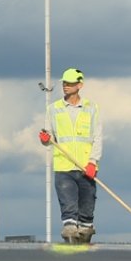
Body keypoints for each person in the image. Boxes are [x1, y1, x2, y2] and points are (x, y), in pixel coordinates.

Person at [38, 68, 103, 244]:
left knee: (86, 217)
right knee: (69, 216)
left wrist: (93, 162)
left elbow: (97, 137)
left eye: (70, 83)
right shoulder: (54, 109)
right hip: (63, 167)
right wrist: (45, 139)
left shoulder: (91, 108)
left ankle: (85, 244)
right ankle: (69, 248)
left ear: (80, 85)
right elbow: (48, 138)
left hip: (86, 168)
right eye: (64, 83)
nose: (66, 86)